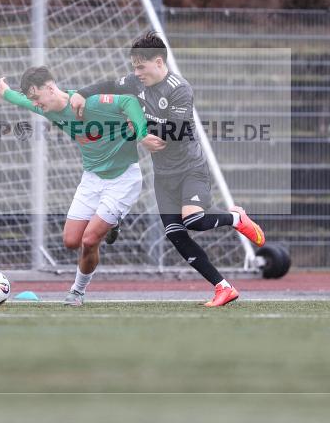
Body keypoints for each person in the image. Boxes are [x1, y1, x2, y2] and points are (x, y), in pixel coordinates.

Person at [70, 32, 265, 307]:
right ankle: (224, 288)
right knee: (176, 234)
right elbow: (110, 84)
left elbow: (178, 129)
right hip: (164, 176)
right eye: (134, 66)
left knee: (194, 220)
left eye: (141, 67)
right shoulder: (135, 83)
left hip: (190, 170)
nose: (136, 73)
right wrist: (81, 94)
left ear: (159, 62)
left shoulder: (179, 88)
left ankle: (236, 219)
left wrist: (139, 130)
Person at [0, 66, 162, 305]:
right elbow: (23, 101)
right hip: (92, 179)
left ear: (51, 89)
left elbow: (128, 101)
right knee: (71, 241)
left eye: (37, 98)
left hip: (123, 179)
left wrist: (143, 134)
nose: (35, 104)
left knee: (89, 240)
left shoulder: (90, 103)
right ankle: (112, 222)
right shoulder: (49, 108)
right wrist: (6, 92)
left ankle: (77, 291)